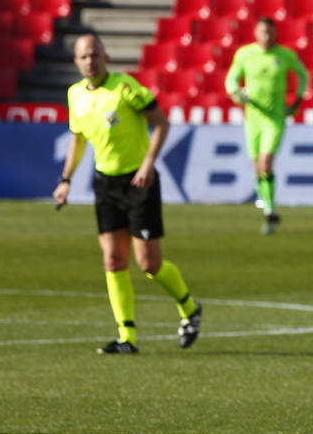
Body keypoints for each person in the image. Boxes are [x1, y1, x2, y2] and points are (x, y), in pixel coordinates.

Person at [53, 33, 202, 355]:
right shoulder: (75, 95)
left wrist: (148, 164)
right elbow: (77, 139)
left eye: (95, 54)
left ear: (105, 56)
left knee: (149, 263)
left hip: (138, 182)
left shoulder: (125, 88)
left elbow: (161, 123)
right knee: (113, 259)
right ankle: (127, 337)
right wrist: (66, 180)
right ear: (76, 62)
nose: (90, 61)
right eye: (84, 57)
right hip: (105, 184)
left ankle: (189, 307)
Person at [225, 16, 309, 234]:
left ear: (275, 33)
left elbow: (303, 74)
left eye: (270, 32)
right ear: (256, 33)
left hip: (275, 118)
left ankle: (270, 210)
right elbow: (231, 78)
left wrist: (298, 98)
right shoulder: (245, 54)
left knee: (265, 163)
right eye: (263, 32)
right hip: (252, 119)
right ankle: (267, 210)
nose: (267, 36)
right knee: (257, 168)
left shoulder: (285, 55)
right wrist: (235, 93)